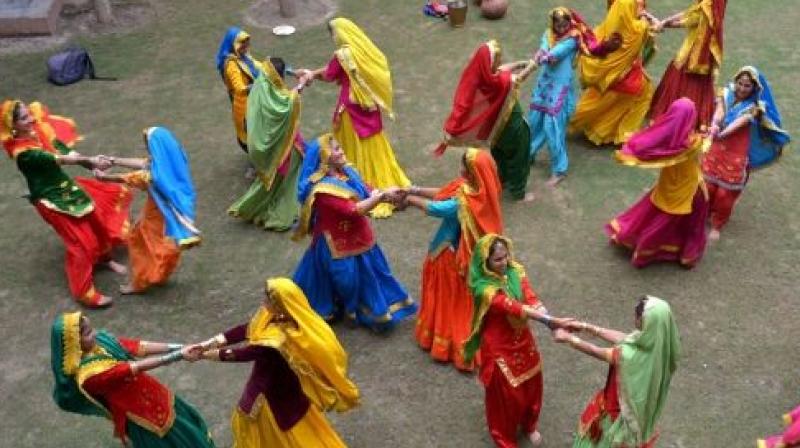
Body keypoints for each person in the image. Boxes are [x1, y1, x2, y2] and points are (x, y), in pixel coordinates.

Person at [186, 277, 359, 448]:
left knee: (275, 431)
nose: (264, 301)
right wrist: (205, 344)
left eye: (268, 298)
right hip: (287, 389)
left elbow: (244, 354)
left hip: (270, 394)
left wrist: (204, 354)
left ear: (279, 305)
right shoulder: (280, 318)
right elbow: (245, 330)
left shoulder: (279, 339)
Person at [1, 100, 132, 308]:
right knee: (80, 244)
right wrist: (91, 160)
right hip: (51, 200)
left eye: (29, 114)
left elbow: (65, 151)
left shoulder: (37, 132)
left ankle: (105, 259)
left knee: (98, 224)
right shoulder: (23, 153)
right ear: (13, 125)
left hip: (68, 189)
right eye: (25, 118)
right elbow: (58, 158)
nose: (32, 119)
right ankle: (85, 293)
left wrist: (91, 163)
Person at [291, 133, 416, 330]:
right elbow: (353, 210)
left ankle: (360, 309)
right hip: (336, 243)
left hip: (360, 236)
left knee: (374, 273)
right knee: (345, 279)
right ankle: (345, 307)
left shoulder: (348, 172)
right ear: (324, 156)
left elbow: (367, 191)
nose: (341, 152)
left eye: (340, 147)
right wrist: (382, 197)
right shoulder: (322, 189)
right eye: (336, 149)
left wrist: (388, 193)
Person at [464, 234, 573, 447]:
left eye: (505, 256)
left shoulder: (515, 271)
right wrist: (550, 322)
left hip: (522, 339)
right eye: (497, 259)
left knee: (533, 384)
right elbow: (513, 307)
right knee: (505, 397)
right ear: (485, 261)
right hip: (498, 347)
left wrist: (551, 321)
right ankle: (505, 438)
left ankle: (529, 424)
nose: (504, 262)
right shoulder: (483, 288)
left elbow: (530, 298)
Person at [295, 18, 410, 218]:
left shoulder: (343, 55)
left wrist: (310, 74)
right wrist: (312, 73)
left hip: (350, 111)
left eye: (333, 34)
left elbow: (330, 74)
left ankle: (363, 187)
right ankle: (388, 184)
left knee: (349, 148)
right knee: (375, 145)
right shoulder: (366, 50)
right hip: (368, 107)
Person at [400, 148, 503, 371]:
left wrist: (409, 199)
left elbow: (439, 207)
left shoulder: (466, 203)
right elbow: (445, 192)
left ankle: (449, 344)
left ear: (473, 173)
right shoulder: (483, 192)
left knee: (449, 299)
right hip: (466, 257)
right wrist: (414, 188)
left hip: (449, 256)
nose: (459, 170)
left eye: (464, 168)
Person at [50, 312, 215, 447]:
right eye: (87, 334)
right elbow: (133, 368)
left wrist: (182, 346)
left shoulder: (99, 342)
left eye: (91, 329)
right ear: (73, 344)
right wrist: (179, 355)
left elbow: (138, 347)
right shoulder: (89, 375)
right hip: (141, 415)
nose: (94, 335)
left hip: (154, 395)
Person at [552, 296, 681, 448]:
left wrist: (568, 338)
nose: (635, 318)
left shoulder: (628, 356)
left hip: (617, 416)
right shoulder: (662, 349)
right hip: (640, 415)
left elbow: (596, 351)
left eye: (638, 317)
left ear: (646, 322)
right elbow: (624, 338)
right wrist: (585, 326)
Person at [93, 127, 201, 294]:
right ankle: (159, 274)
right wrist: (113, 160)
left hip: (159, 212)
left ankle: (140, 282)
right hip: (165, 209)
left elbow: (139, 177)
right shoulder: (172, 159)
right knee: (150, 240)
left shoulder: (155, 176)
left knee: (144, 242)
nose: (146, 149)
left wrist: (105, 177)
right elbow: (143, 163)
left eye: (148, 145)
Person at [605, 98, 709, 268]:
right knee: (685, 224)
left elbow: (647, 141)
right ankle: (676, 254)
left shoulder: (666, 141)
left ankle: (634, 240)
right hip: (689, 189)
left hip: (668, 185)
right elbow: (703, 149)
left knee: (655, 215)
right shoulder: (692, 143)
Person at [529, 7, 621, 187]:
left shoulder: (573, 38)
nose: (562, 28)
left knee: (552, 128)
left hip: (559, 92)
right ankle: (528, 155)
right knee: (535, 122)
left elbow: (558, 52)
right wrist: (541, 52)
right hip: (544, 87)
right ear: (553, 24)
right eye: (558, 25)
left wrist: (546, 56)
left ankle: (559, 170)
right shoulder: (548, 34)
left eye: (565, 24)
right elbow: (544, 45)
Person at [436, 40, 538, 202]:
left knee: (500, 155)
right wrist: (532, 65)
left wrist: (520, 63)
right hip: (512, 126)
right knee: (519, 157)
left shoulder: (480, 76)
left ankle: (502, 181)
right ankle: (519, 193)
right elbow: (517, 79)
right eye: (496, 58)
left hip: (494, 129)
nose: (499, 61)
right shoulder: (499, 82)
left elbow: (501, 70)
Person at [701, 66, 790, 241]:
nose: (742, 88)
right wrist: (714, 124)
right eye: (740, 83)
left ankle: (718, 223)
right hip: (717, 149)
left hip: (736, 153)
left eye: (747, 86)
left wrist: (720, 133)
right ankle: (704, 215)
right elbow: (719, 111)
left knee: (725, 193)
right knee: (708, 185)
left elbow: (741, 122)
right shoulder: (726, 93)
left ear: (754, 88)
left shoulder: (755, 107)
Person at [228, 57, 306, 231]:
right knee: (287, 181)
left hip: (269, 147)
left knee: (272, 182)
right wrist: (301, 84)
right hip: (283, 147)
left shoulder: (261, 85)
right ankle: (283, 215)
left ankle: (250, 207)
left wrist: (293, 71)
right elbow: (286, 106)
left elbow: (276, 67)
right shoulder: (275, 96)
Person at [569, 0, 658, 146]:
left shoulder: (610, 25)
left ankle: (598, 128)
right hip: (623, 74)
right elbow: (640, 28)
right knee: (640, 94)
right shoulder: (634, 31)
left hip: (611, 71)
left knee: (604, 99)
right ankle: (618, 133)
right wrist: (645, 20)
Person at [648, 0, 727, 129]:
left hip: (696, 50)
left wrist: (664, 23)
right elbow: (691, 12)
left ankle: (676, 116)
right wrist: (665, 22)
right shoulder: (711, 4)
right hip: (699, 47)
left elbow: (692, 19)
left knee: (682, 77)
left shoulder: (710, 4)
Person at [217, 26, 267, 154]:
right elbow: (239, 88)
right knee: (247, 135)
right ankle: (257, 163)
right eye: (242, 46)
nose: (245, 48)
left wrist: (285, 70)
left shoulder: (244, 57)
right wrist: (259, 84)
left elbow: (260, 66)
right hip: (243, 104)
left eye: (246, 45)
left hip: (253, 100)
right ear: (233, 45)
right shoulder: (231, 65)